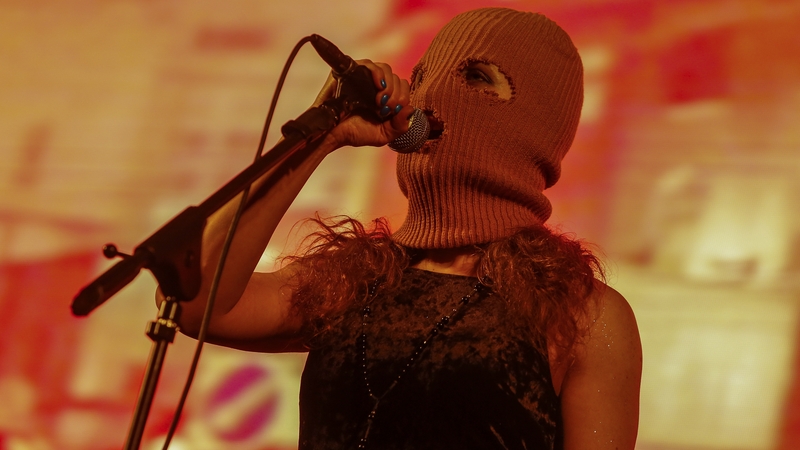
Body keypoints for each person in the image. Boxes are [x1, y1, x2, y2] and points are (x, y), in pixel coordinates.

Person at [160, 7, 642, 450]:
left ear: (537, 124)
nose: (430, 98)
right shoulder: (355, 280)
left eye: (476, 78)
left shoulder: (583, 316)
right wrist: (321, 135)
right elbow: (198, 302)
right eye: (422, 77)